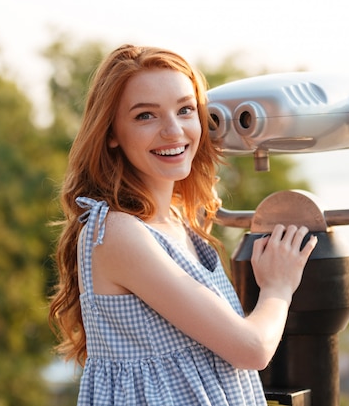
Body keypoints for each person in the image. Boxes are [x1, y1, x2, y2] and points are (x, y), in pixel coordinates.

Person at [49, 44, 317, 405]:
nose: (173, 131)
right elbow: (251, 349)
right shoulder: (115, 232)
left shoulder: (177, 222)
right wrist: (278, 287)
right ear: (111, 132)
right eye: (146, 116)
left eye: (186, 109)